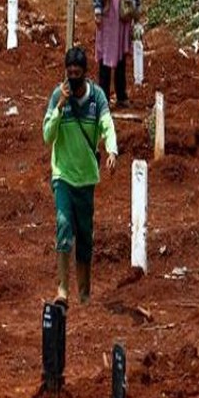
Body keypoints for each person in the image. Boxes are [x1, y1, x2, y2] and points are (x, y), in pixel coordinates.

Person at [42, 47, 118, 306]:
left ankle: (84, 293)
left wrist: (112, 149)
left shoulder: (96, 97)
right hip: (63, 175)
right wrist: (59, 108)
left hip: (86, 178)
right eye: (69, 73)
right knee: (64, 225)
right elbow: (47, 136)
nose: (73, 77)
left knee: (85, 235)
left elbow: (107, 124)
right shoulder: (57, 96)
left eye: (77, 73)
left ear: (85, 73)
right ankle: (62, 289)